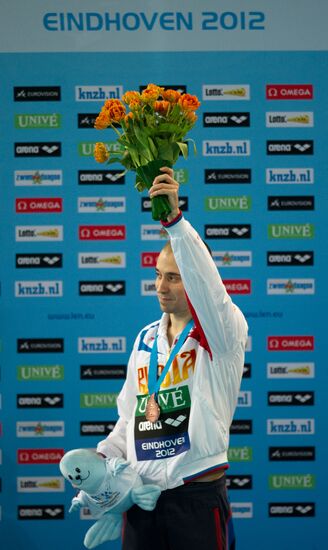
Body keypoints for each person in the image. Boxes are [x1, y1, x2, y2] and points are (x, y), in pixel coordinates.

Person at [97, 167, 248, 550]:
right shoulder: (145, 338)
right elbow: (130, 415)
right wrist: (102, 461)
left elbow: (210, 291)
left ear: (195, 279)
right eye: (158, 275)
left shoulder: (220, 334)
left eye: (174, 277)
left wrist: (175, 223)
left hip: (194, 501)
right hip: (141, 501)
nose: (160, 286)